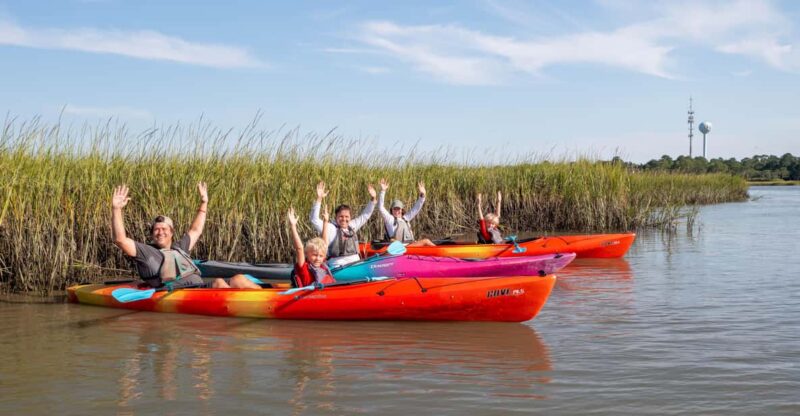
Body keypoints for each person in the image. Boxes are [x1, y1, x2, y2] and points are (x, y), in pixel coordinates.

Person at [111, 183, 259, 290]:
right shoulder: (145, 252)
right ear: (151, 234)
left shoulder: (180, 247)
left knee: (239, 278)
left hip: (199, 287)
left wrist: (204, 202)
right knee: (220, 282)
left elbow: (196, 230)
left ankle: (269, 299)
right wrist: (116, 209)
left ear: (172, 232)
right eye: (156, 229)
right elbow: (120, 240)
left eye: (164, 228)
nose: (160, 232)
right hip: (179, 293)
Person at [310, 181, 377, 268]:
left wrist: (373, 198)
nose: (344, 219)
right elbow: (314, 219)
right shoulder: (330, 228)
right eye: (341, 216)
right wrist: (319, 199)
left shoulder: (352, 226)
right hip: (338, 266)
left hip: (356, 264)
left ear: (350, 217)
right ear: (336, 217)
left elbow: (365, 215)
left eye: (346, 217)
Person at [377, 178, 435, 247]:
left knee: (426, 241)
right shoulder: (390, 219)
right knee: (426, 241)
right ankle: (441, 253)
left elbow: (416, 208)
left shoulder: (405, 218)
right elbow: (381, 207)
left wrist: (422, 196)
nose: (397, 211)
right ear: (391, 210)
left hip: (410, 245)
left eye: (398, 209)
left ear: (401, 210)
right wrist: (383, 191)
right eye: (394, 209)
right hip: (401, 248)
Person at [288, 207, 335, 287]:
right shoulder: (304, 267)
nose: (318, 258)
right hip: (312, 296)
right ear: (307, 255)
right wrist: (293, 226)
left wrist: (325, 222)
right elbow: (299, 248)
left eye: (320, 256)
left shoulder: (322, 264)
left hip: (326, 292)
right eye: (314, 255)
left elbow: (324, 245)